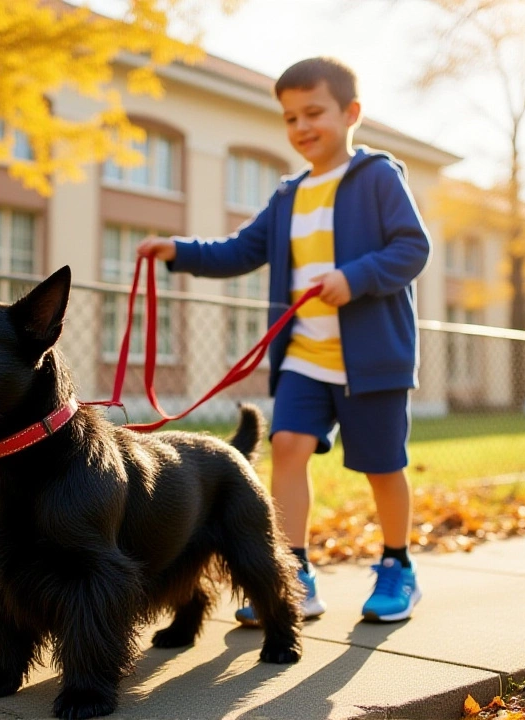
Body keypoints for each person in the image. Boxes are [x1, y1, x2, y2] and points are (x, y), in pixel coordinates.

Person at [136, 56, 430, 623]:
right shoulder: (288, 196)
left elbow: (411, 248)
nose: (301, 128)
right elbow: (240, 250)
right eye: (290, 118)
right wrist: (179, 250)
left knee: (381, 465)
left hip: (372, 359)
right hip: (304, 357)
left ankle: (398, 565)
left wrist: (354, 278)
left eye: (313, 112)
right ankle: (293, 573)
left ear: (351, 113)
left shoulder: (377, 178)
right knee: (289, 447)